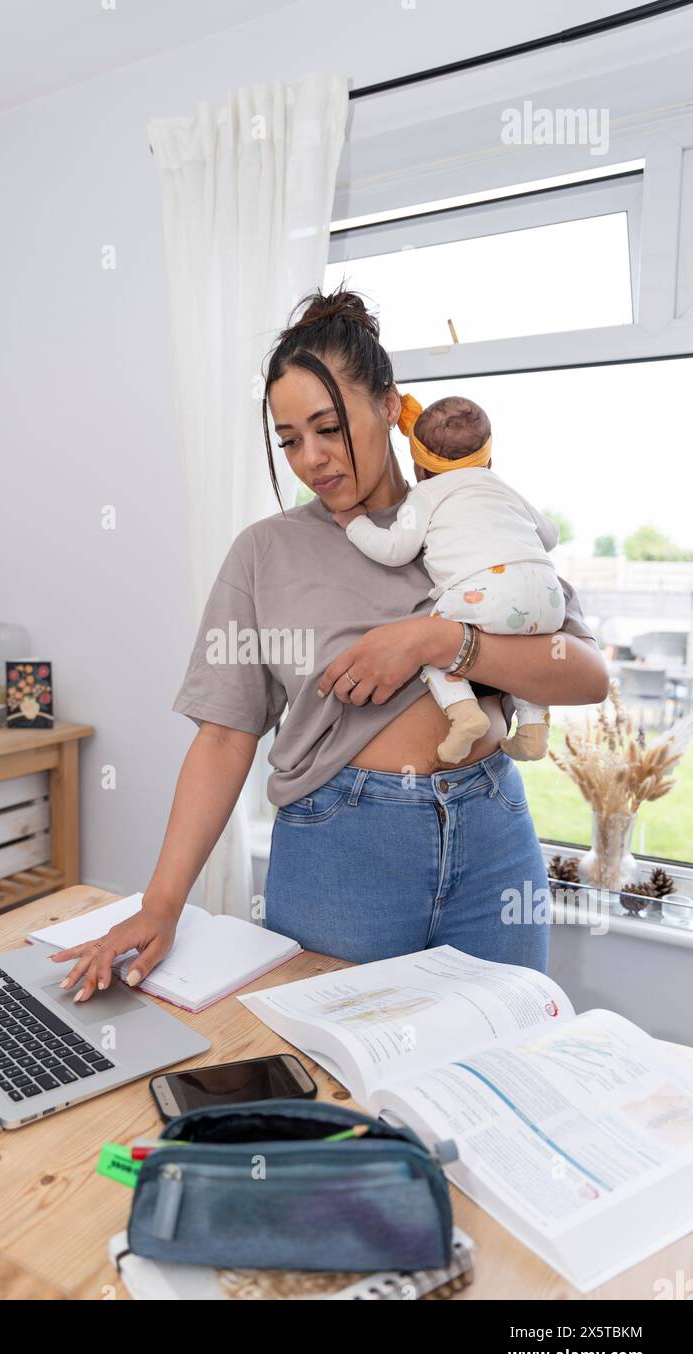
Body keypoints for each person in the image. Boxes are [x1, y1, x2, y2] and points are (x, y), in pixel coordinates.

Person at [52, 285, 608, 998]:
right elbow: (224, 739)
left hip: (492, 835)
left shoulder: (475, 509)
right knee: (337, 1092)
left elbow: (584, 675)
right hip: (342, 847)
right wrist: (160, 905)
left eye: (329, 427)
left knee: (498, 1065)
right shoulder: (265, 554)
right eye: (290, 441)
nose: (311, 458)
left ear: (388, 405)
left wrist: (436, 640)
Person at [334, 393, 565, 764]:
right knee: (525, 649)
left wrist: (355, 524)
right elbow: (550, 535)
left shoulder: (426, 493)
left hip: (486, 593)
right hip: (550, 598)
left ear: (419, 469)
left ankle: (463, 714)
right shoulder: (502, 486)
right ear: (488, 460)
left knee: (431, 645)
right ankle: (534, 727)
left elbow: (396, 549)